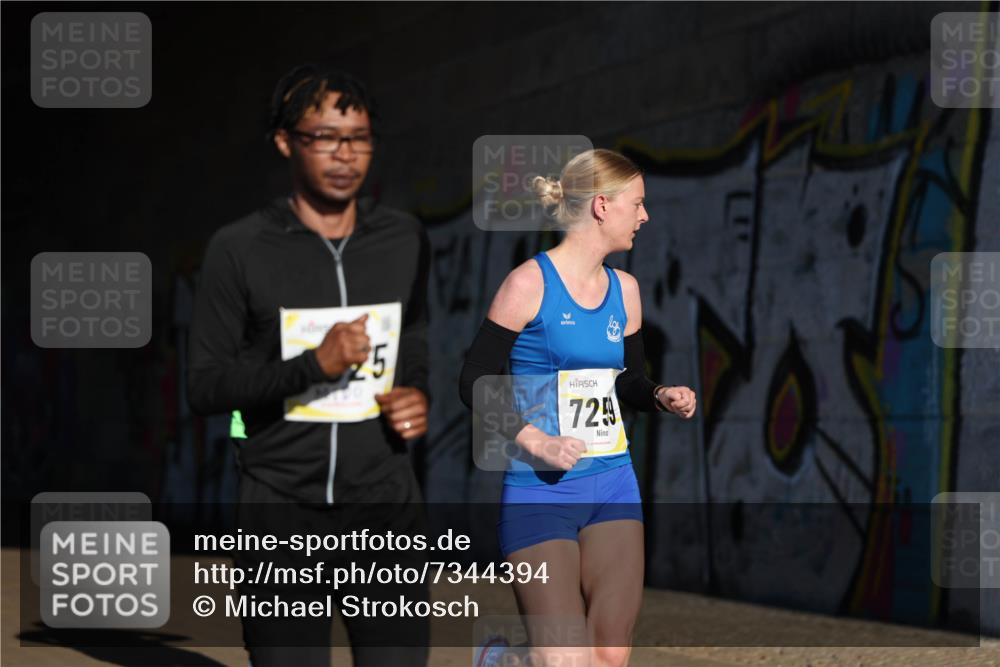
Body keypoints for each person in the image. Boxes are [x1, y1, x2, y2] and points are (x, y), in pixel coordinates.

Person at [187, 64, 431, 667]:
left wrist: (415, 392)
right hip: (279, 505)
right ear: (285, 142)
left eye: (359, 138)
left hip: (384, 503)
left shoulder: (404, 239)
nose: (345, 154)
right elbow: (206, 385)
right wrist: (311, 366)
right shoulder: (238, 249)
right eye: (325, 137)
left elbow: (414, 335)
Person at [460, 149, 696, 667]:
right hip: (539, 491)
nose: (645, 216)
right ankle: (505, 660)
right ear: (602, 206)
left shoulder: (626, 290)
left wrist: (659, 394)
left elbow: (628, 381)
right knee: (565, 660)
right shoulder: (528, 284)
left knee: (609, 655)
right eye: (638, 203)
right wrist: (535, 441)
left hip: (613, 484)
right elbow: (473, 379)